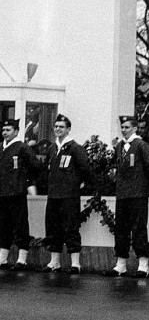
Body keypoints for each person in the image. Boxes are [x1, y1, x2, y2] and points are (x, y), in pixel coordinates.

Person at [105, 115, 149, 278]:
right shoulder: (121, 145)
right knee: (121, 228)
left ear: (135, 128)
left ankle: (143, 264)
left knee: (138, 228)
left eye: (127, 127)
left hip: (137, 194)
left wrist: (140, 181)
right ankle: (121, 264)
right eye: (122, 127)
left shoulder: (141, 145)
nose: (124, 130)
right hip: (123, 194)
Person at [43, 114, 93, 273]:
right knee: (53, 229)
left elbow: (85, 169)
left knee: (71, 228)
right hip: (53, 195)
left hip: (69, 195)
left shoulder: (75, 148)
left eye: (61, 127)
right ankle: (54, 262)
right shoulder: (52, 148)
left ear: (68, 129)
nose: (58, 129)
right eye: (56, 126)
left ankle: (75, 264)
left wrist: (80, 186)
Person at [0, 119, 38, 270]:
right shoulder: (1, 147)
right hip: (3, 194)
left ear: (16, 131)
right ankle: (2, 258)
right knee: (3, 226)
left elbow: (35, 165)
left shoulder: (22, 147)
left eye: (8, 130)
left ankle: (22, 259)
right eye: (3, 130)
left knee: (20, 225)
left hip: (17, 193)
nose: (5, 133)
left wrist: (26, 181)